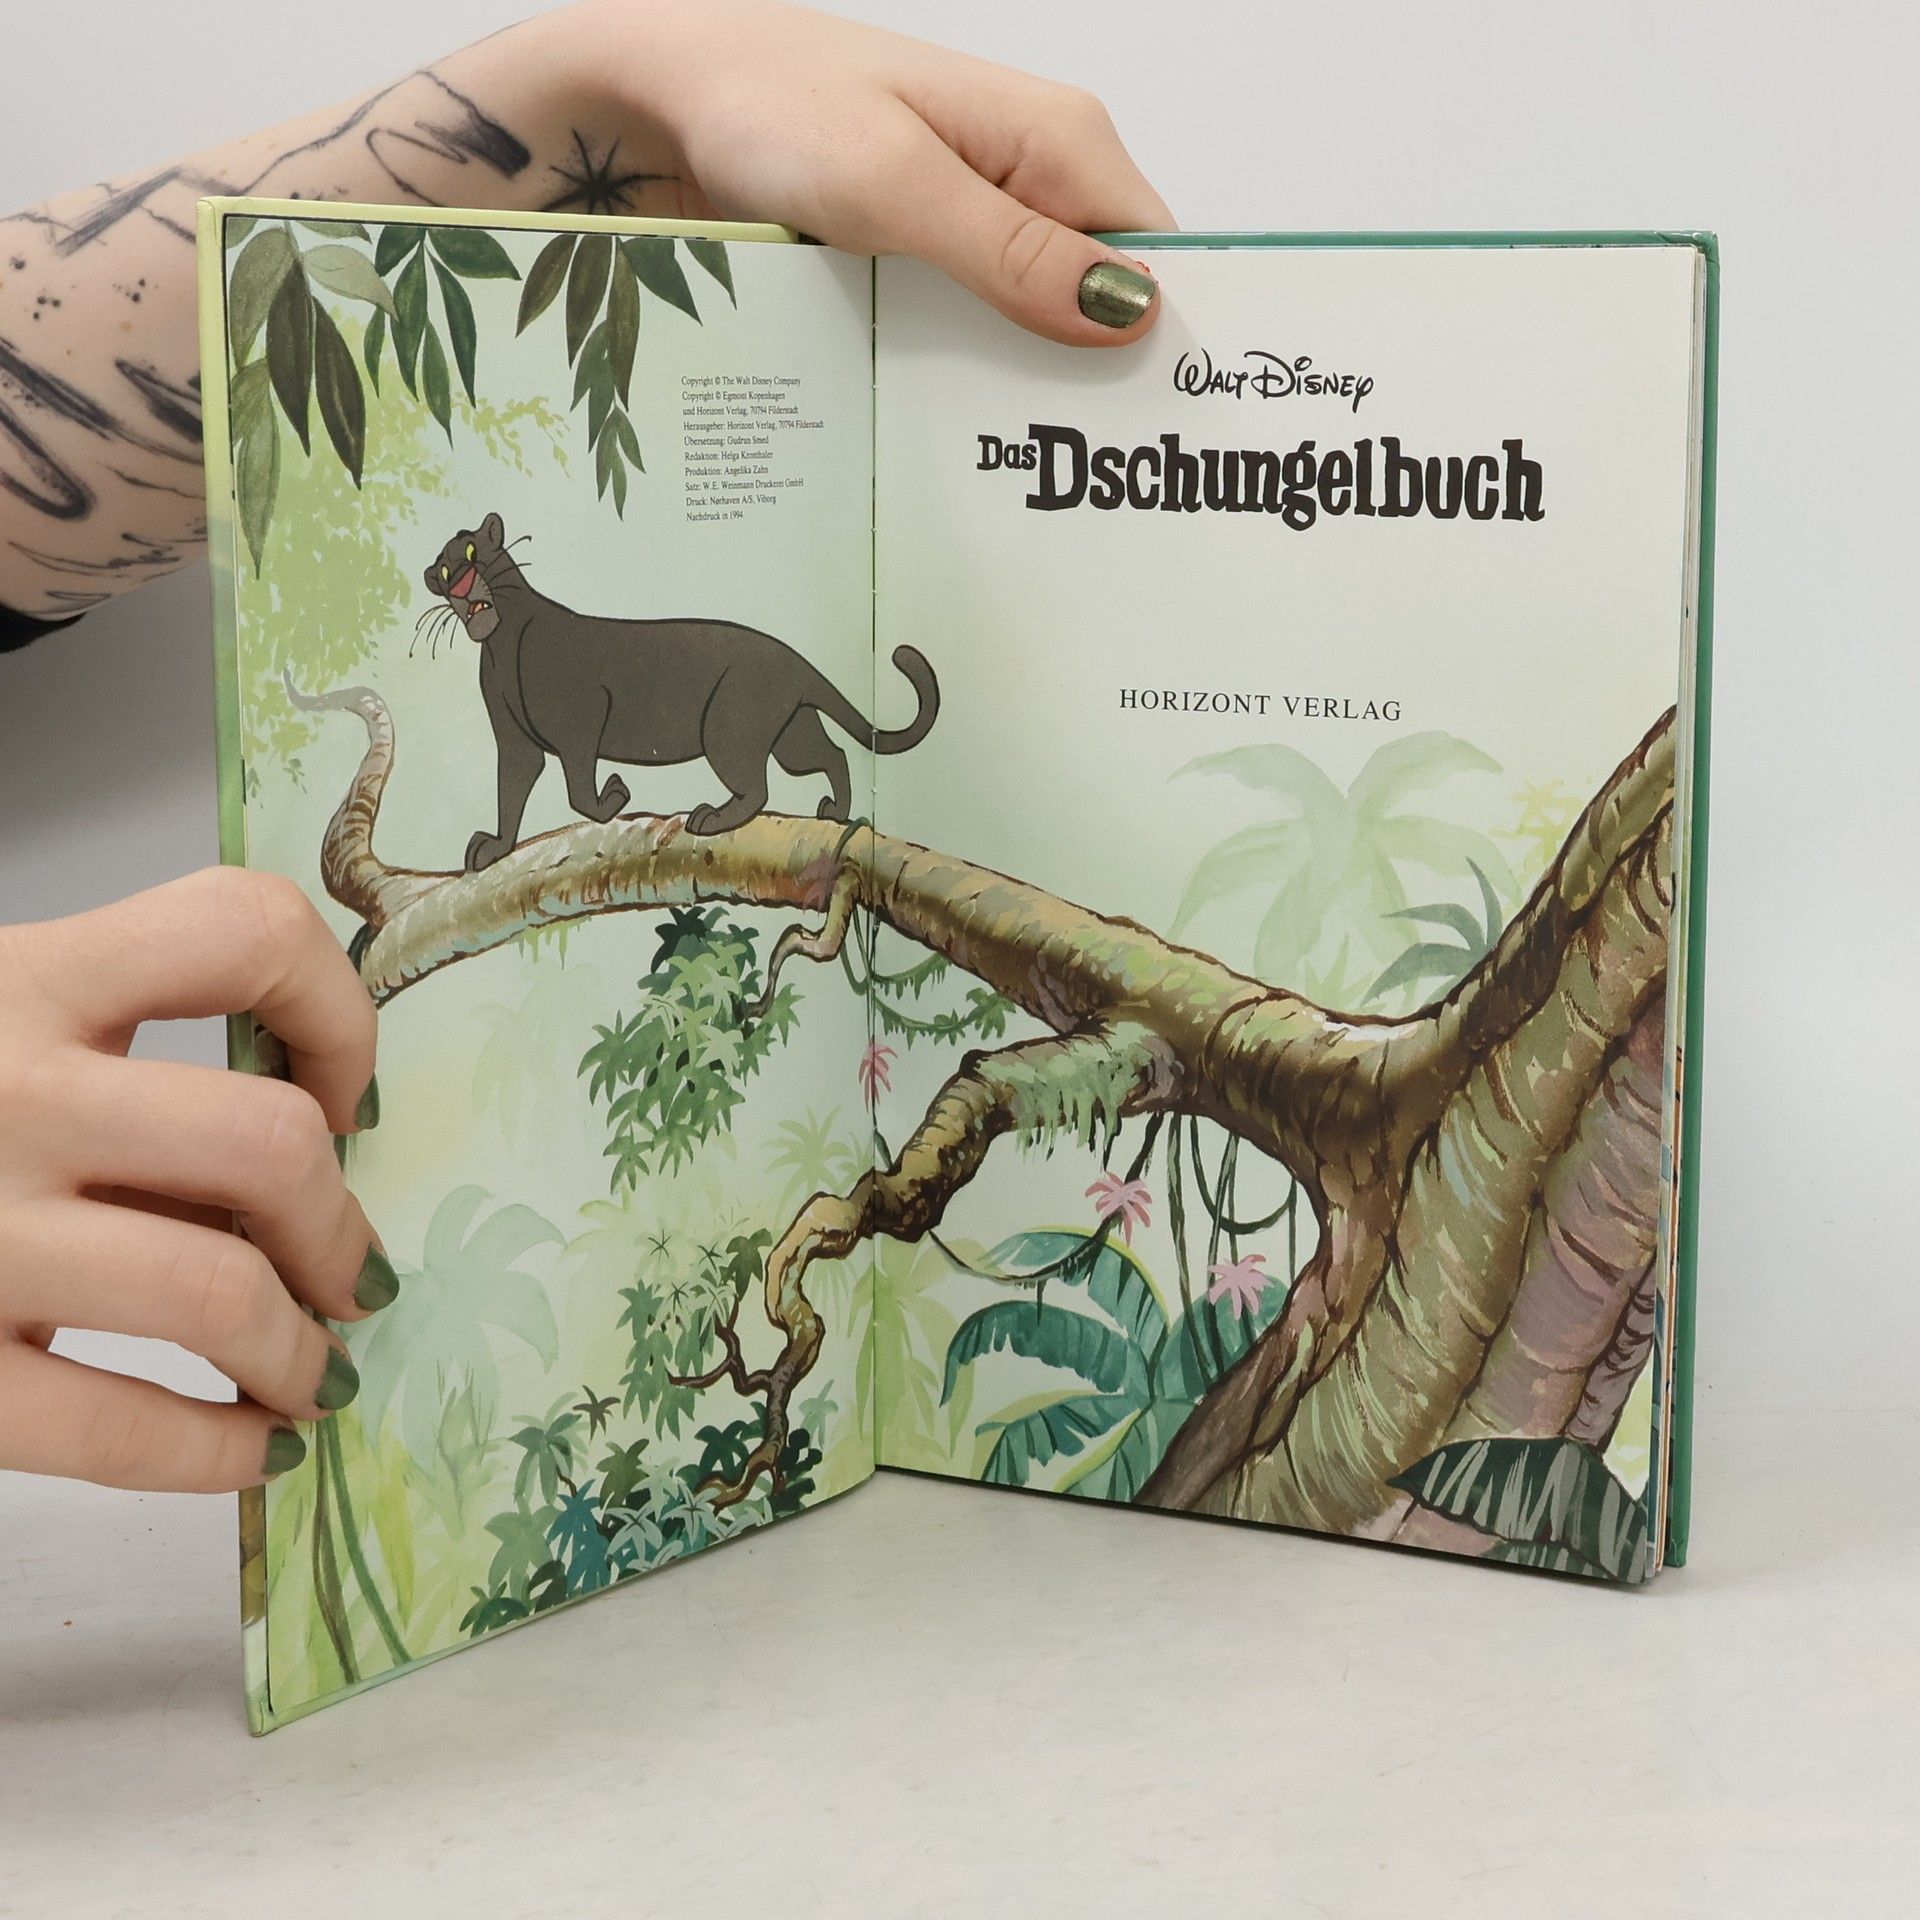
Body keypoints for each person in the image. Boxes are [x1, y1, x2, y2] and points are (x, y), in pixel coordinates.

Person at [0, 0, 1170, 1494]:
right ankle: (790, 781)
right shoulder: (514, 655)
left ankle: (790, 782)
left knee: (749, 736)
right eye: (455, 583)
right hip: (683, 710)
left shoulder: (537, 641)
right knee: (695, 737)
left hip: (713, 697)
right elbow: (546, 750)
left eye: (468, 575)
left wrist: (592, 107)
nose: (459, 592)